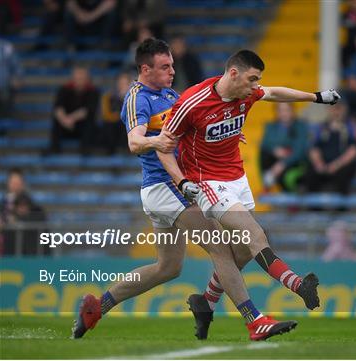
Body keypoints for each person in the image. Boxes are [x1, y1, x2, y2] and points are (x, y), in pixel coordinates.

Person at [72, 39, 297, 342]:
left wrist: (227, 134)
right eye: (165, 66)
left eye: (173, 65)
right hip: (165, 188)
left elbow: (190, 125)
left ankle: (97, 307)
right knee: (220, 246)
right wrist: (155, 142)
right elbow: (135, 142)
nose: (172, 71)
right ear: (145, 68)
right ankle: (253, 320)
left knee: (168, 267)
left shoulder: (170, 94)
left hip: (173, 189)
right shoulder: (137, 98)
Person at [160, 49, 341, 338]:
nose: (256, 86)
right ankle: (296, 286)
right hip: (207, 181)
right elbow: (164, 146)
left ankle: (205, 303)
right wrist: (182, 182)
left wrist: (315, 97)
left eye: (258, 80)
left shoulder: (248, 93)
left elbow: (275, 93)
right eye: (252, 79)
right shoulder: (192, 101)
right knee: (254, 236)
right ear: (233, 73)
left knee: (241, 253)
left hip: (238, 179)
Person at [305, 101, 356, 195]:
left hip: (342, 165)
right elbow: (314, 148)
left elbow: (354, 150)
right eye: (333, 108)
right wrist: (319, 163)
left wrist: (336, 165)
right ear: (328, 110)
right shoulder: (321, 127)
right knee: (310, 173)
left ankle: (341, 207)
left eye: (339, 108)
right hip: (324, 164)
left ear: (345, 109)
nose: (336, 112)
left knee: (344, 174)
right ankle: (315, 208)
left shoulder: (351, 126)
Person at [45, 65, 100, 155]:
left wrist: (71, 118)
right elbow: (58, 107)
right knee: (56, 120)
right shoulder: (64, 89)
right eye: (77, 78)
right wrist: (64, 120)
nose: (79, 80)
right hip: (66, 125)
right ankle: (54, 148)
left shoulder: (93, 91)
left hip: (82, 126)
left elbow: (87, 110)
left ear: (87, 78)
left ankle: (85, 150)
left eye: (82, 78)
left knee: (89, 121)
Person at [260, 102, 309, 192]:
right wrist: (275, 150)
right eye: (280, 110)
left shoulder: (300, 126)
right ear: (276, 112)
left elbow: (299, 150)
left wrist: (283, 163)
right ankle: (268, 179)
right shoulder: (270, 126)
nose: (284, 113)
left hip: (294, 163)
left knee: (287, 174)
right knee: (264, 151)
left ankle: (293, 191)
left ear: (293, 111)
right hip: (274, 161)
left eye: (287, 110)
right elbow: (265, 143)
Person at [100, 72, 131, 154]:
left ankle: (128, 151)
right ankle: (110, 153)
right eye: (121, 83)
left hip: (127, 125)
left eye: (125, 83)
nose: (123, 86)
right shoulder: (108, 96)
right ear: (117, 83)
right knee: (110, 127)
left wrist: (126, 98)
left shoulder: (135, 97)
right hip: (113, 124)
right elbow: (106, 115)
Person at [0, 37, 23, 118]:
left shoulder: (5, 45)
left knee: (5, 105)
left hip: (4, 85)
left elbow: (16, 64)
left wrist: (17, 78)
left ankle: (2, 128)